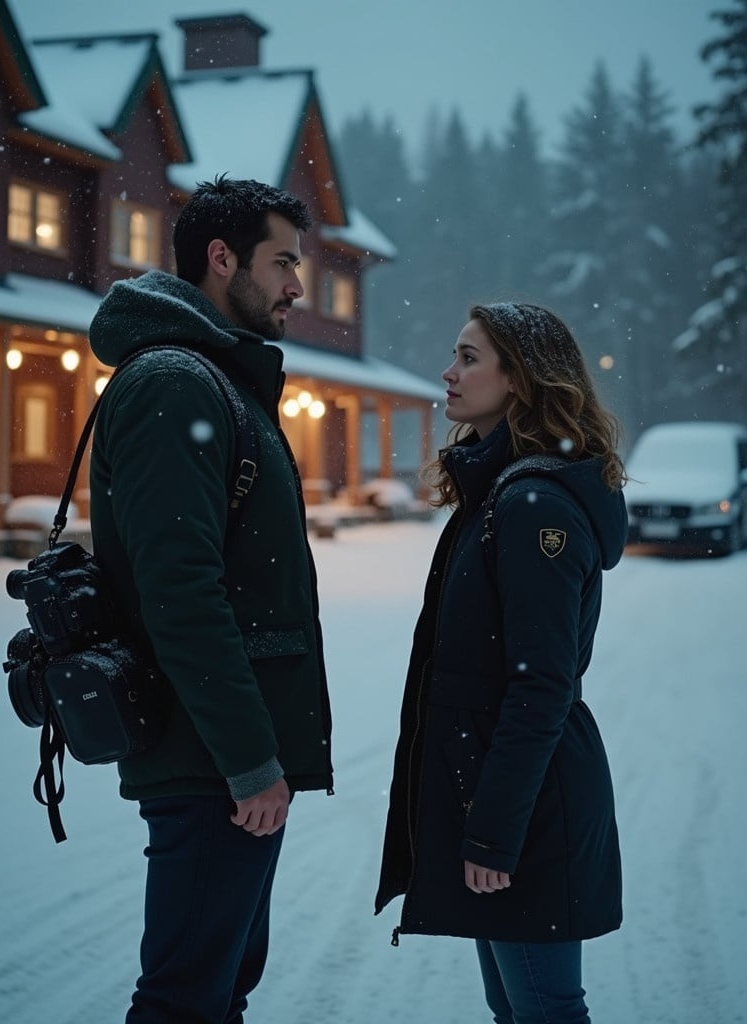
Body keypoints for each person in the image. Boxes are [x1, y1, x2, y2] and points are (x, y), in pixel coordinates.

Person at [88, 175, 333, 1024]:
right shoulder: (175, 384)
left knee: (219, 987)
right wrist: (247, 760)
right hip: (210, 762)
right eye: (283, 263)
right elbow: (179, 592)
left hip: (224, 757)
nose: (297, 288)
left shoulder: (216, 380)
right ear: (221, 259)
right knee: (187, 999)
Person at [375, 303, 626, 1023]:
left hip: (527, 804)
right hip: (500, 793)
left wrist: (493, 830)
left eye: (468, 357)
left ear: (518, 378)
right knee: (518, 1010)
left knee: (545, 1010)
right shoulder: (503, 493)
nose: (448, 373)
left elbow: (540, 684)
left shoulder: (532, 505)